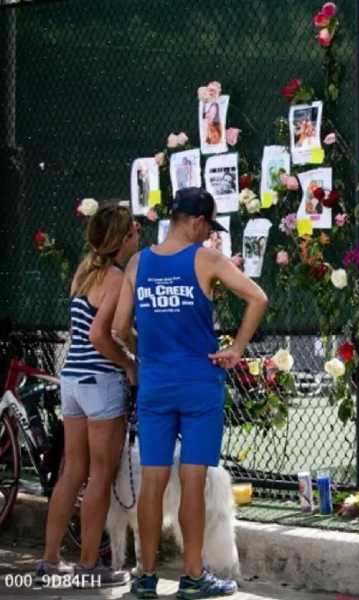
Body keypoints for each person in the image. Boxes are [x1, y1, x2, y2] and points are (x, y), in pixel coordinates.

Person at [113, 187, 267, 599]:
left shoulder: (137, 263)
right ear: (197, 221)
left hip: (155, 384)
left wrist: (146, 351)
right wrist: (235, 349)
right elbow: (257, 297)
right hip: (199, 384)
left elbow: (117, 327)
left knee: (152, 481)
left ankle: (144, 576)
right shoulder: (207, 260)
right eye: (208, 227)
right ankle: (194, 576)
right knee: (193, 481)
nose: (208, 235)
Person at [37, 205, 140, 586]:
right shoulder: (114, 277)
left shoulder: (84, 271)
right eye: (134, 229)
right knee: (99, 475)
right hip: (100, 380)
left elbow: (85, 330)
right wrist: (130, 364)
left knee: (72, 471)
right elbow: (101, 335)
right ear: (123, 238)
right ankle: (88, 568)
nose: (138, 233)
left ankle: (49, 561)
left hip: (73, 380)